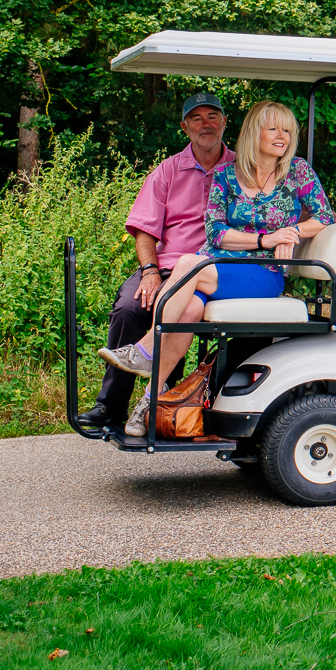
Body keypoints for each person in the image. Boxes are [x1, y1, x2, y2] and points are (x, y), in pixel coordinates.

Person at [98, 99, 335, 435]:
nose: (281, 135)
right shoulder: (227, 174)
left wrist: (293, 232)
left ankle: (146, 348)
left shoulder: (296, 171)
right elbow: (216, 232)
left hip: (262, 275)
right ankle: (150, 405)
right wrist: (266, 239)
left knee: (188, 262)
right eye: (273, 128)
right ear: (256, 132)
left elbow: (325, 216)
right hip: (219, 265)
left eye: (287, 129)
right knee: (190, 309)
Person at [76, 93, 236, 431]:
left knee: (179, 307)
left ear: (224, 121)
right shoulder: (168, 170)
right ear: (184, 127)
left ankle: (159, 404)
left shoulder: (241, 169)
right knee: (130, 308)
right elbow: (145, 230)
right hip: (166, 264)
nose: (205, 124)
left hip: (216, 268)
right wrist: (149, 271)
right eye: (196, 118)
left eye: (212, 116)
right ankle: (111, 407)